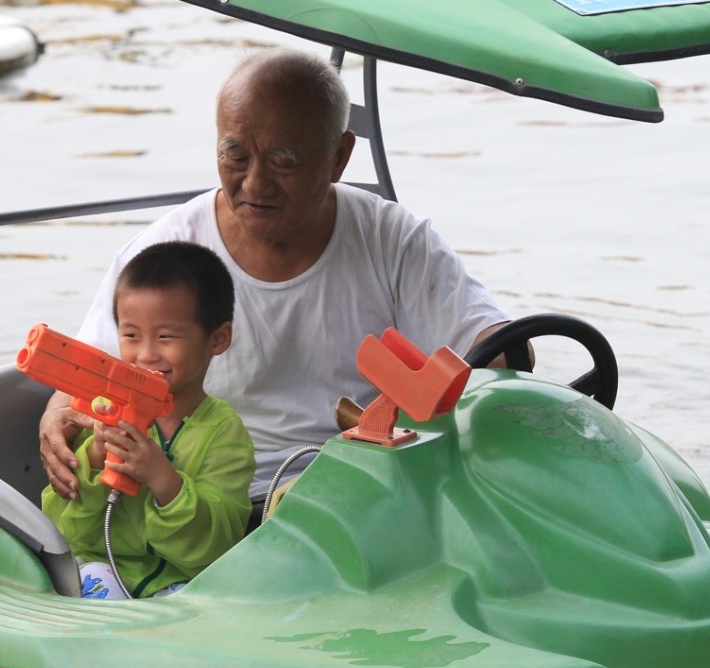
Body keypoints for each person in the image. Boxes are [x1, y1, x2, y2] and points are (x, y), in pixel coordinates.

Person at [41, 47, 512, 505]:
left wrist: (497, 360)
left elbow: (499, 351)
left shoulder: (392, 240)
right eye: (236, 156)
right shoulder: (165, 253)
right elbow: (86, 377)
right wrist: (58, 418)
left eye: (283, 160)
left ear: (339, 156)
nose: (254, 184)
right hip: (206, 504)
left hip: (364, 492)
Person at [41, 241, 255, 599]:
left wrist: (164, 481)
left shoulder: (225, 435)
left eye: (166, 336)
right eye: (131, 335)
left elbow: (216, 549)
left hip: (184, 581)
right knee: (88, 590)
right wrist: (93, 459)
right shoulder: (102, 410)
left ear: (217, 339)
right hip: (103, 568)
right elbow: (67, 531)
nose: (146, 354)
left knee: (194, 613)